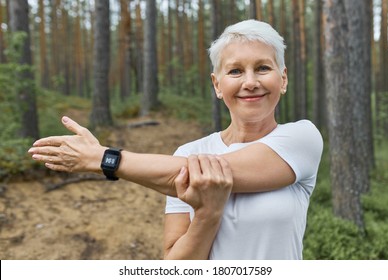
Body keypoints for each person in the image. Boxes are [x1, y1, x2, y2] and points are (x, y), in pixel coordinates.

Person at [28, 19, 323, 260]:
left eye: (262, 68)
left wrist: (104, 159)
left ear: (282, 79)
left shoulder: (302, 138)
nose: (250, 82)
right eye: (235, 71)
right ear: (217, 84)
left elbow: (206, 173)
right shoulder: (189, 152)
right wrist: (208, 214)